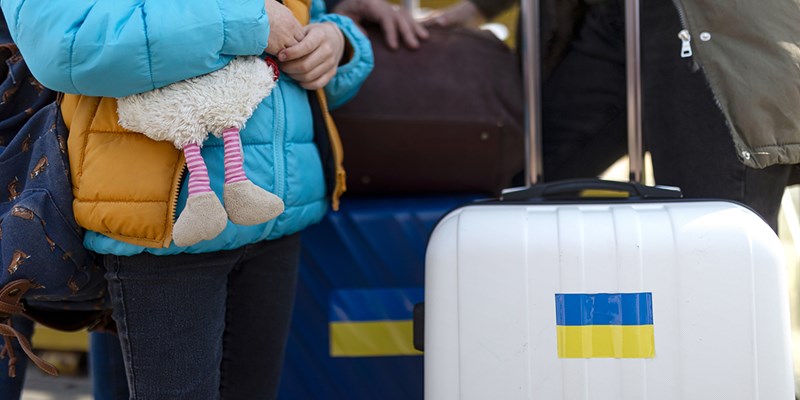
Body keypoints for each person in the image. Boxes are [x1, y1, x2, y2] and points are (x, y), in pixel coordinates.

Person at [0, 1, 373, 400]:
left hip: (276, 216)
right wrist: (247, 24)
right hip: (164, 228)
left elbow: (302, 29)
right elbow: (67, 44)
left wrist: (336, 44)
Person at [424, 0, 800, 232]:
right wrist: (483, 6)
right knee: (516, 193)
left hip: (713, 21)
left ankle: (727, 360)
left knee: (711, 234)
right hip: (601, 17)